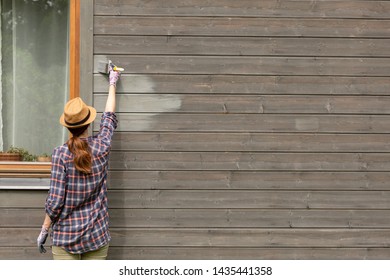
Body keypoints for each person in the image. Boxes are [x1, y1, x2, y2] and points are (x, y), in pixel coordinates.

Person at [36, 64, 121, 260]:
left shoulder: (60, 154)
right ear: (89, 122)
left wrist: (44, 230)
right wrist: (112, 82)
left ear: (68, 126)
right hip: (96, 236)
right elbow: (109, 117)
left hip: (66, 238)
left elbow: (55, 202)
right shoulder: (102, 146)